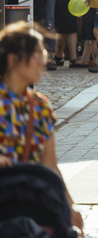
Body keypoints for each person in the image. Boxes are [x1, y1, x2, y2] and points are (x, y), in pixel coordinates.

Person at [0, 23, 84, 233]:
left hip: (31, 208)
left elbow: (51, 166)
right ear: (13, 60)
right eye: (36, 53)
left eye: (43, 52)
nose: (44, 59)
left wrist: (70, 207)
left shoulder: (40, 106)